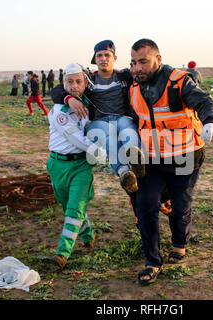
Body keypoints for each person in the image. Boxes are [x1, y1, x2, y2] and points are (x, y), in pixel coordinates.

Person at [129, 38, 213, 285]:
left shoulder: (178, 82)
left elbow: (204, 101)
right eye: (134, 63)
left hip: (186, 155)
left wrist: (211, 120)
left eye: (143, 62)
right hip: (153, 160)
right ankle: (152, 262)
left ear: (158, 59)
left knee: (180, 205)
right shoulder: (133, 84)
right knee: (146, 204)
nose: (138, 68)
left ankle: (179, 242)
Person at [52, 40, 144, 194]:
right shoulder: (89, 80)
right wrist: (69, 99)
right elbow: (57, 89)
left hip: (121, 117)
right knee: (108, 138)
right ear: (95, 59)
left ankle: (137, 161)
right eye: (99, 55)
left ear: (114, 58)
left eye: (107, 55)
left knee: (128, 129)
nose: (103, 59)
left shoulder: (124, 76)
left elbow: (148, 75)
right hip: (99, 121)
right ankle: (124, 173)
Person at [47, 62, 106, 270]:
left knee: (75, 208)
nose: (74, 86)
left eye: (78, 81)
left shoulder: (88, 103)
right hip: (57, 165)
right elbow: (74, 138)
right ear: (64, 84)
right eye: (70, 82)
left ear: (85, 83)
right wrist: (99, 152)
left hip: (80, 165)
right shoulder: (58, 110)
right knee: (68, 206)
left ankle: (62, 254)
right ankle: (88, 234)